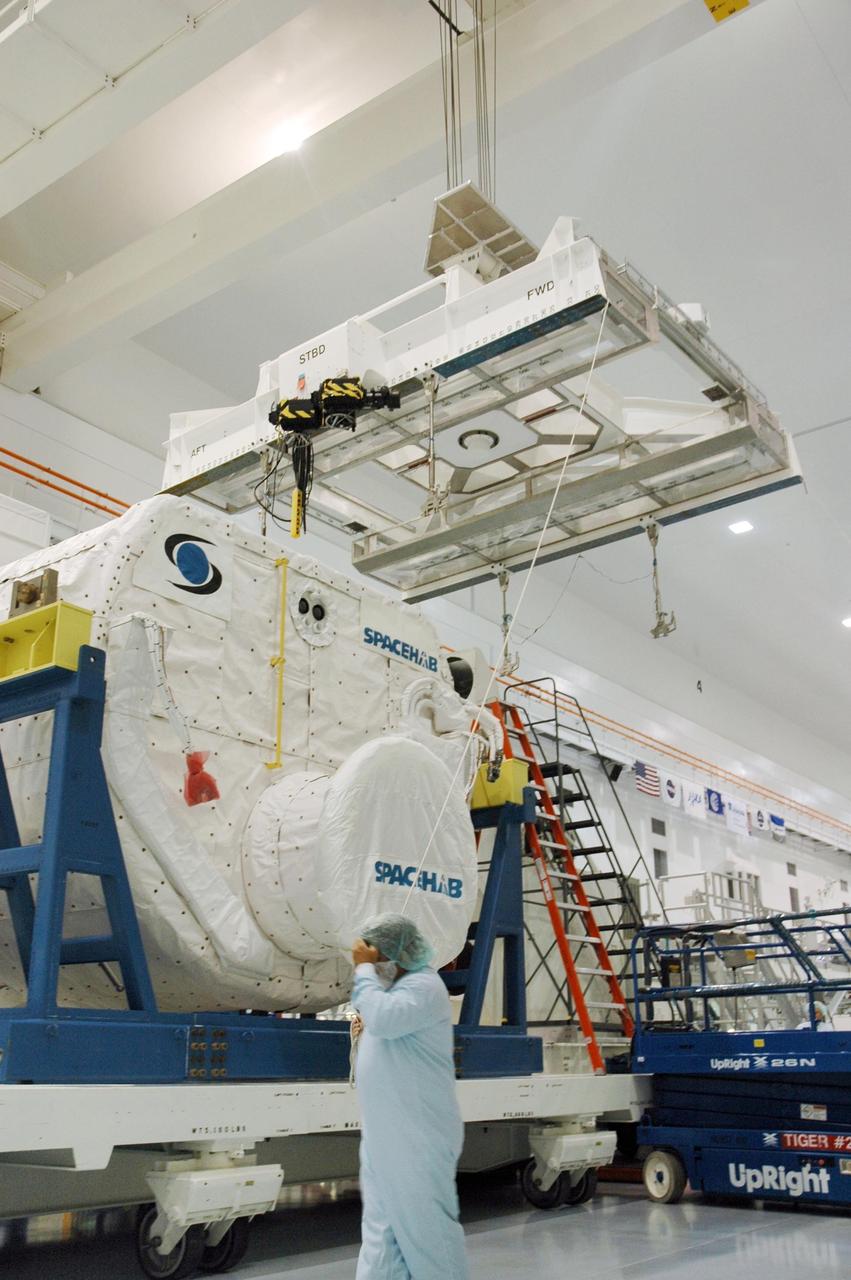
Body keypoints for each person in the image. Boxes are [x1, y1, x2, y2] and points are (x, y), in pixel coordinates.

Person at [351, 912, 469, 1280]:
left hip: (417, 1139)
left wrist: (364, 972)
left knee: (427, 1237)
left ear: (398, 956)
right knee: (381, 1239)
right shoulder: (395, 993)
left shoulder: (425, 988)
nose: (376, 967)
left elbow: (385, 1021)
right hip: (386, 1139)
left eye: (379, 959)